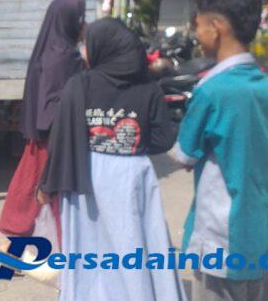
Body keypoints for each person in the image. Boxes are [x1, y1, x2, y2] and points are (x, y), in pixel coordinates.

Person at [38, 17, 184, 301]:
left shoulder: (79, 85)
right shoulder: (149, 88)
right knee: (134, 243)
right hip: (133, 174)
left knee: (90, 247)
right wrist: (133, 145)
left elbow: (62, 138)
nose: (84, 50)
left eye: (87, 44)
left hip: (86, 175)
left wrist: (46, 185)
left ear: (101, 47)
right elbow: (164, 139)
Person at [172, 0, 268, 301]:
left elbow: (184, 155)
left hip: (222, 233)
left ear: (216, 27)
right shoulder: (266, 87)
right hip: (261, 225)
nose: (196, 34)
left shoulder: (210, 90)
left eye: (198, 26)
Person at [0, 0, 85, 243]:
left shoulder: (51, 48)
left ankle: (18, 243)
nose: (83, 24)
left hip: (44, 135)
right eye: (79, 19)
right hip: (53, 138)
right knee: (43, 191)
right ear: (67, 21)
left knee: (28, 189)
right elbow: (53, 104)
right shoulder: (63, 56)